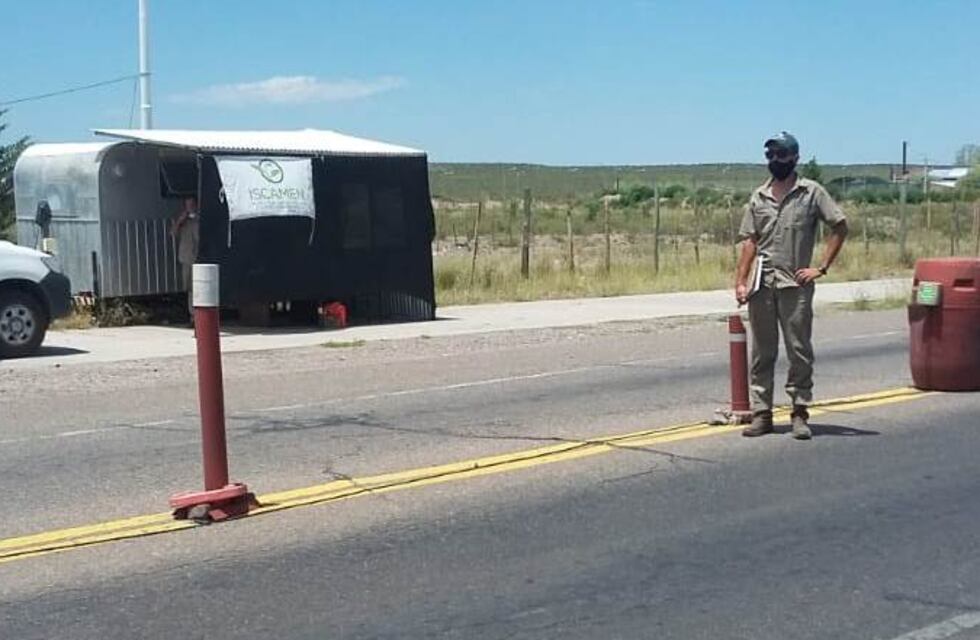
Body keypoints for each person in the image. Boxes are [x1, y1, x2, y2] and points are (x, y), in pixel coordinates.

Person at [735, 132, 848, 440]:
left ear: (795, 158)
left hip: (794, 286)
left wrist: (821, 267)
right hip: (762, 285)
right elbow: (750, 241)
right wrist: (740, 282)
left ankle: (799, 411)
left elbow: (839, 225)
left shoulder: (811, 192)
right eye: (770, 155)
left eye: (782, 155)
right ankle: (762, 414)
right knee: (762, 352)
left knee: (799, 350)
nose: (776, 161)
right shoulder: (759, 196)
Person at [171, 196, 200, 320]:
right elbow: (172, 233)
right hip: (186, 257)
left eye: (191, 204)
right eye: (187, 205)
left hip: (199, 257)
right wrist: (180, 220)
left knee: (200, 286)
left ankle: (200, 314)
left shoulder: (200, 219)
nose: (189, 207)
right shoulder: (183, 221)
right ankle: (192, 316)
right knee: (190, 287)